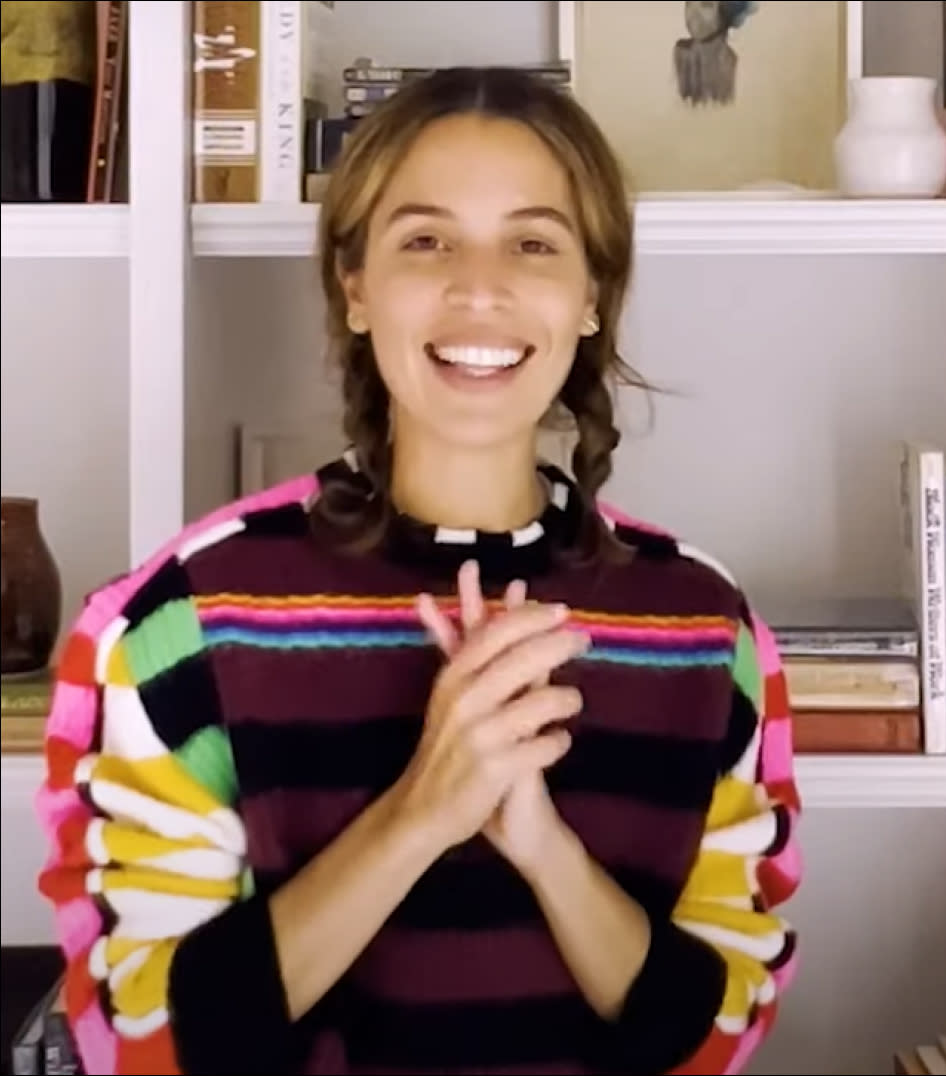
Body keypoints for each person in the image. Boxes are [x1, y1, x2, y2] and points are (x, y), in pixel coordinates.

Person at [35, 64, 802, 1076]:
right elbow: (145, 1042)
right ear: (354, 287)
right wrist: (423, 807)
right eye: (426, 239)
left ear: (590, 297)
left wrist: (542, 845)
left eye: (533, 243)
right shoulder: (174, 624)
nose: (479, 287)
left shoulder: (707, 628)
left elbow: (715, 1034)